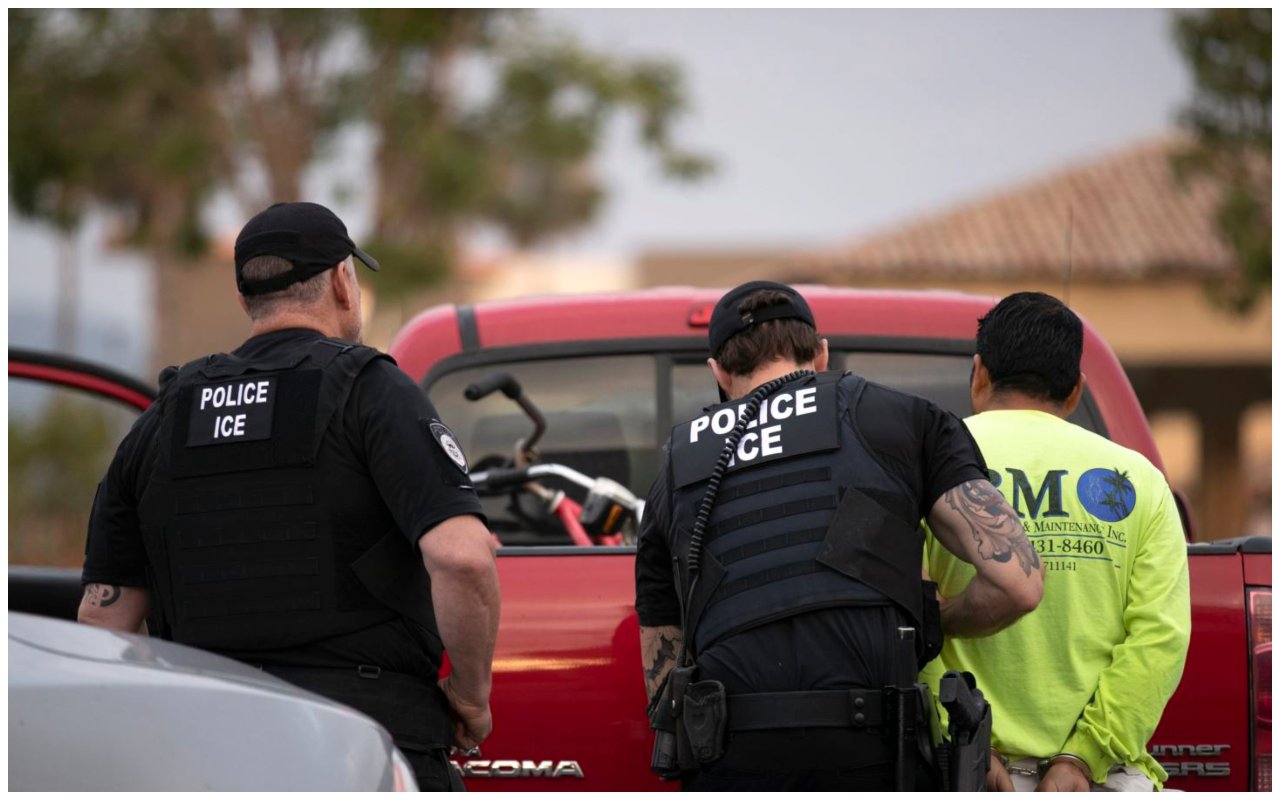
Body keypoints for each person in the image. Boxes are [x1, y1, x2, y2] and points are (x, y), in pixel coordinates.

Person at [77, 201, 501, 791]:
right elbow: (462, 556)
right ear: (341, 283)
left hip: (206, 745)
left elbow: (105, 619)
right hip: (360, 742)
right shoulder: (372, 391)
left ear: (246, 299)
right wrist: (470, 697)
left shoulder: (163, 417)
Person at [635, 280, 1045, 791]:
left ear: (717, 371)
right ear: (821, 354)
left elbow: (663, 670)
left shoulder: (677, 465)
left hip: (734, 757)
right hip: (874, 750)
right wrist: (935, 619)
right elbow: (1020, 583)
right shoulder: (900, 418)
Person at [922, 291, 1191, 791]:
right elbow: (1161, 637)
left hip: (969, 774)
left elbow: (903, 623)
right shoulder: (1140, 480)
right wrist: (1083, 757)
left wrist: (967, 742)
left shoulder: (926, 465)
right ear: (1075, 391)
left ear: (979, 373)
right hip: (1099, 780)